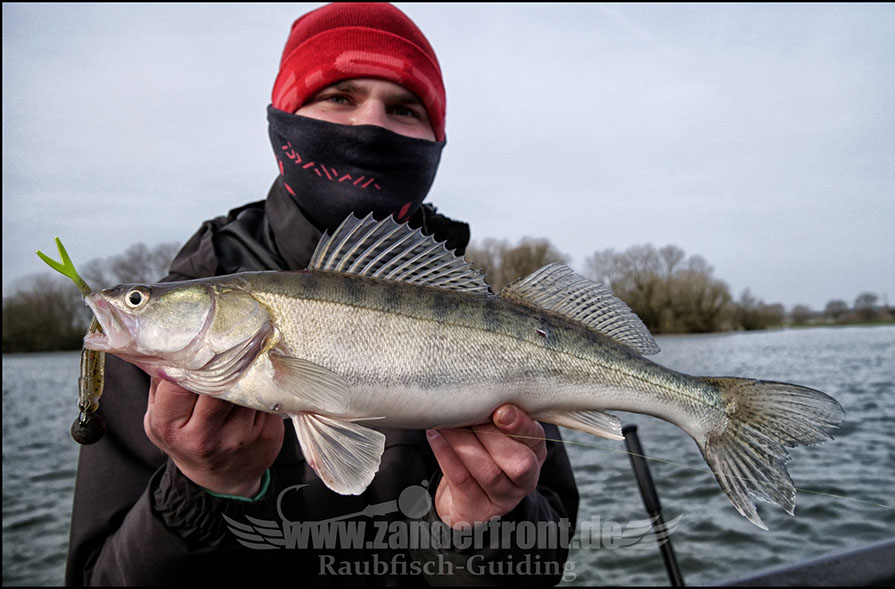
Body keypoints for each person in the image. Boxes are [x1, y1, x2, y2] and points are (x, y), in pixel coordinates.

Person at [65, 3, 579, 585]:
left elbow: (544, 563)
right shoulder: (166, 346)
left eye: (405, 108)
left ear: (437, 140)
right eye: (339, 96)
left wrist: (482, 528)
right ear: (285, 122)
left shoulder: (491, 317)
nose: (371, 125)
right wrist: (201, 491)